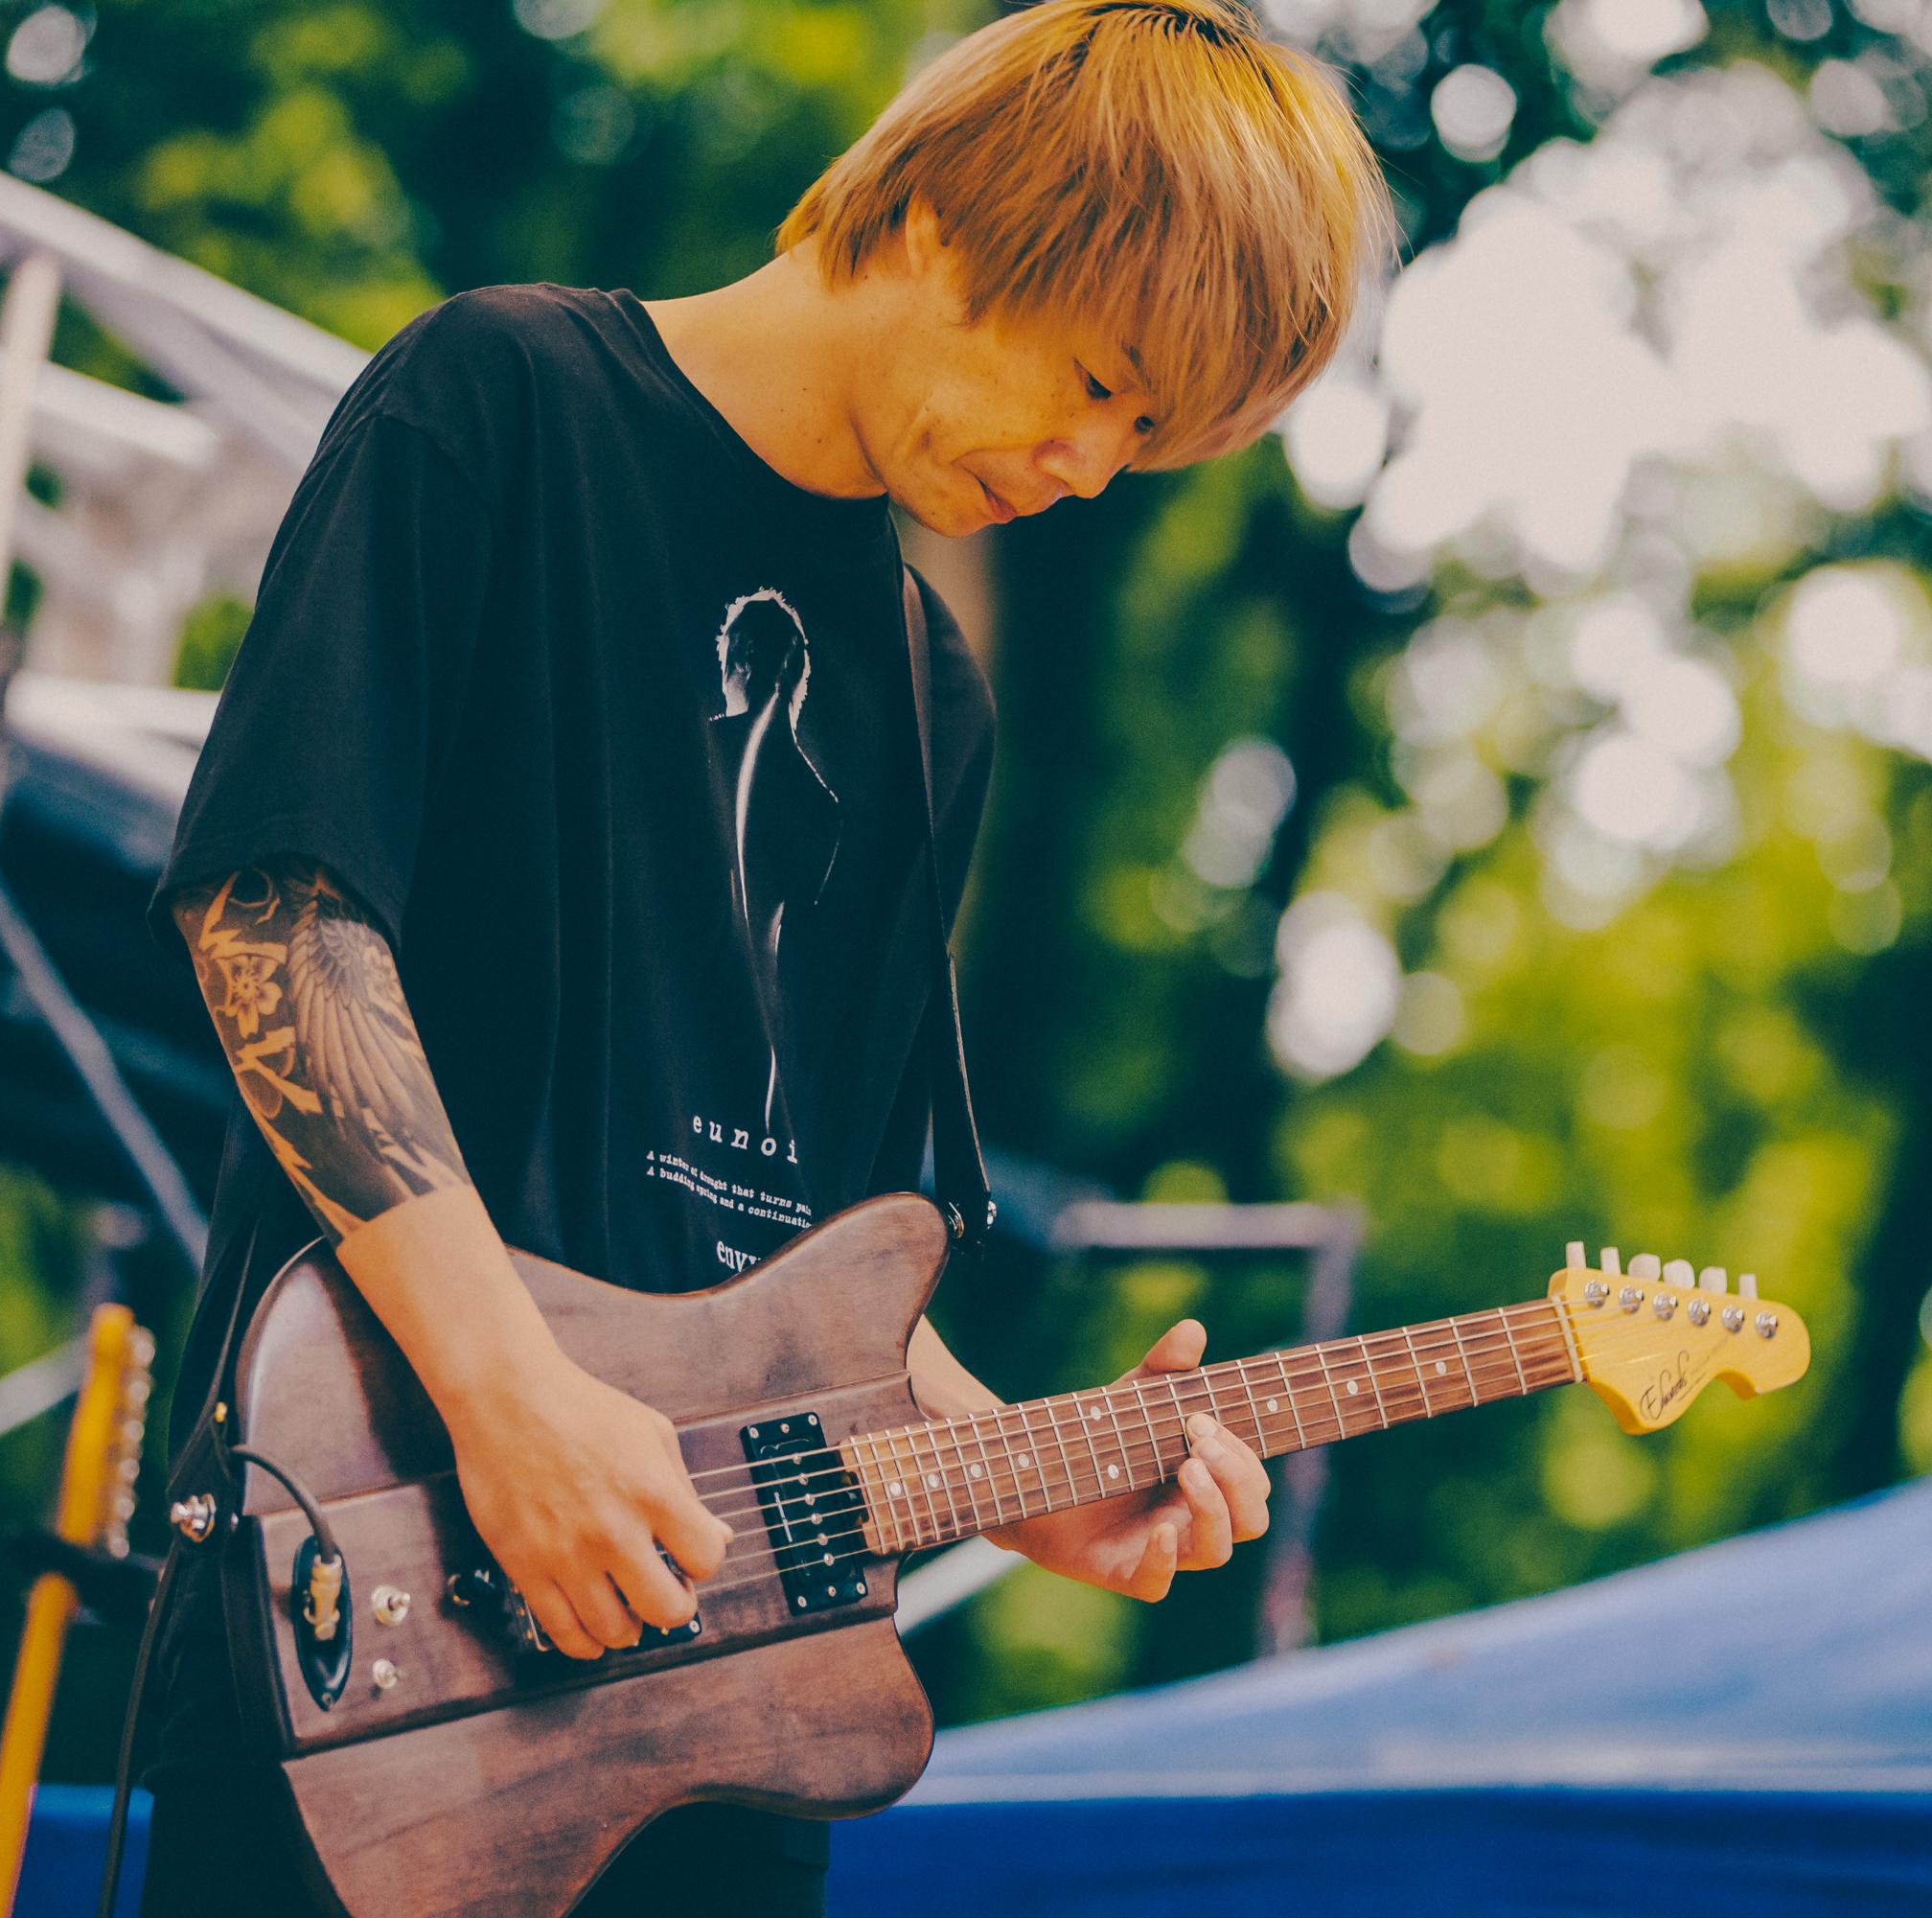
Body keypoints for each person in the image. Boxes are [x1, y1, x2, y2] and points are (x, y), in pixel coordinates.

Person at [137, 2, 1385, 1911]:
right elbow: (277, 914)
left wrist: (1028, 1477)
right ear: (956, 216)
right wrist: (511, 1397)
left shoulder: (933, 696)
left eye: (1148, 435)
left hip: (725, 1711)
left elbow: (818, 1261)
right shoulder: (500, 400)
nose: (1091, 463)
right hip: (380, 1628)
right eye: (1098, 378)